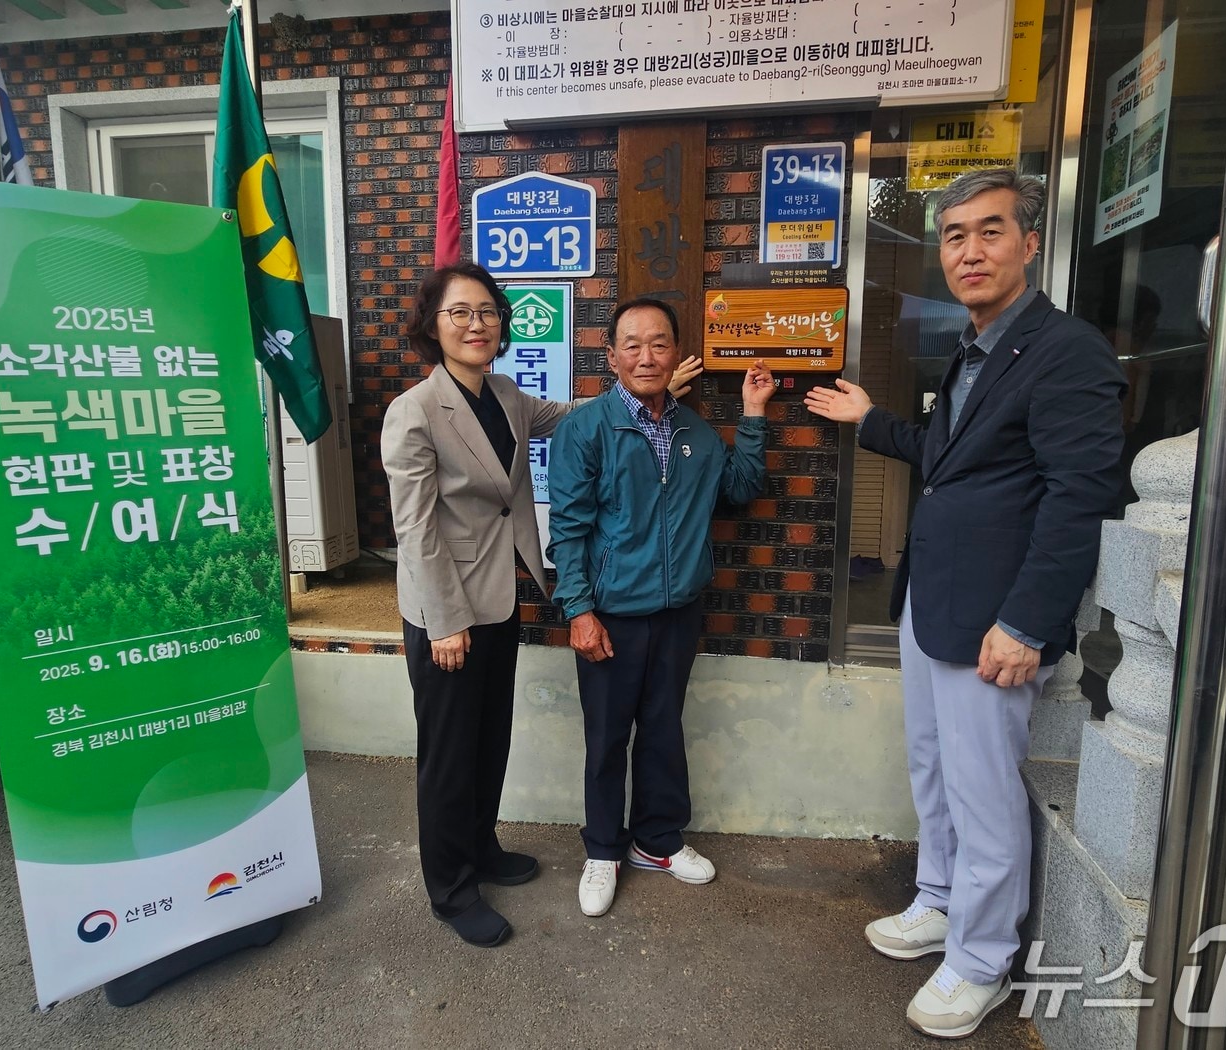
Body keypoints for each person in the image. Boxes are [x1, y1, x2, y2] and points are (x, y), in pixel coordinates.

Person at [804, 168, 1125, 1039]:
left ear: (1029, 241)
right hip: (932, 603)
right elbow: (954, 463)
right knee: (934, 769)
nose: (970, 250)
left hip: (994, 618)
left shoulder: (1066, 349)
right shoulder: (975, 347)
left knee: (984, 791)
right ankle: (939, 900)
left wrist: (1026, 620)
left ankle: (982, 959)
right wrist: (871, 421)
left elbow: (1079, 495)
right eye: (954, 236)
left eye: (990, 231)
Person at [380, 264, 702, 948]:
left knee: (489, 736)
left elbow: (582, 416)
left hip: (501, 597)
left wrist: (651, 384)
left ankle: (483, 846)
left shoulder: (503, 392)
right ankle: (451, 888)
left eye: (488, 313)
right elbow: (416, 529)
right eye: (461, 313)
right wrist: (445, 621)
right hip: (446, 613)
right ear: (432, 327)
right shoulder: (412, 411)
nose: (478, 325)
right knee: (447, 755)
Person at [546, 297, 775, 918]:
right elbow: (567, 528)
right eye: (633, 345)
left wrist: (753, 415)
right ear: (612, 356)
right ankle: (602, 850)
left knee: (663, 730)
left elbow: (739, 490)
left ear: (676, 352)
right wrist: (579, 611)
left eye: (659, 343)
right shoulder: (586, 429)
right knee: (607, 737)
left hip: (678, 612)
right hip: (610, 613)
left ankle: (658, 841)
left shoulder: (695, 433)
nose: (646, 356)